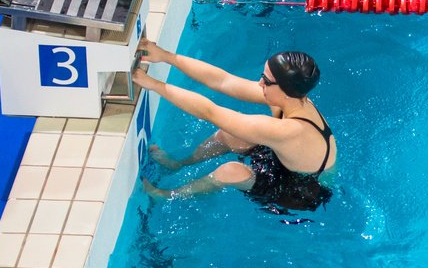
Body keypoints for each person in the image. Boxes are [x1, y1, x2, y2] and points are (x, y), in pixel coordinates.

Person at [136, 41, 335, 212]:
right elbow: (224, 81)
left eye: (266, 80)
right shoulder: (293, 99)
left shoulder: (287, 130)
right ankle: (180, 164)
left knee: (231, 171)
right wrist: (166, 56)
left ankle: (165, 195)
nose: (259, 83)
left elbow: (209, 112)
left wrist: (153, 84)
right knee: (230, 134)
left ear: (284, 89)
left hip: (299, 191)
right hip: (286, 162)